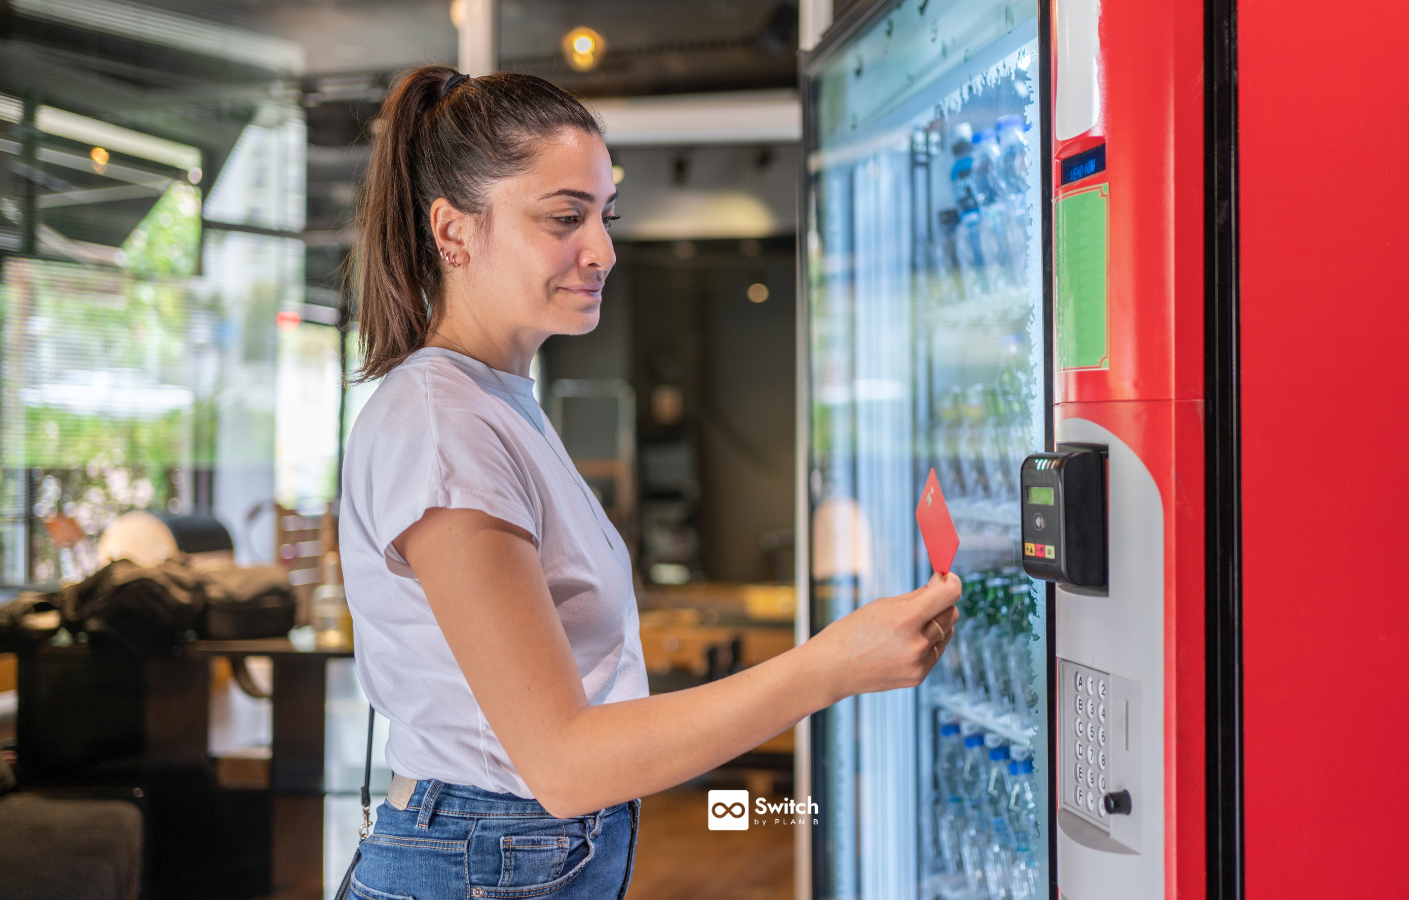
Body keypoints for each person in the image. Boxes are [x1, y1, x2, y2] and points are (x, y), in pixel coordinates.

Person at [338, 65, 961, 900]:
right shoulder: (443, 424)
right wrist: (829, 667)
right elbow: (562, 762)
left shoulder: (494, 401)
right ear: (453, 232)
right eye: (566, 217)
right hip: (481, 863)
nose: (602, 249)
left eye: (605, 216)